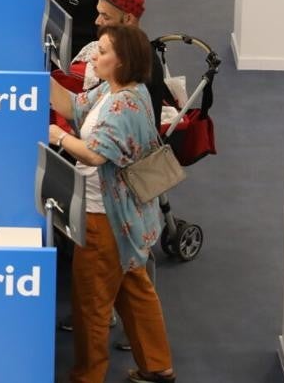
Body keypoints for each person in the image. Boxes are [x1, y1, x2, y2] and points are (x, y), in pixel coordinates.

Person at [48, 25, 176, 383]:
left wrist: (58, 137)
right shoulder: (114, 90)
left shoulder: (122, 105)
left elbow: (93, 155)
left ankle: (88, 375)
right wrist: (36, 73)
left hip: (104, 216)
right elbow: (72, 105)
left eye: (102, 51)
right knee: (133, 287)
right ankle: (157, 365)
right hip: (126, 216)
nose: (93, 56)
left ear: (123, 61)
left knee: (91, 302)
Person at [67, 0, 174, 124]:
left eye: (106, 17)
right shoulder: (125, 52)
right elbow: (79, 106)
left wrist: (61, 138)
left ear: (128, 19)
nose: (97, 21)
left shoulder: (133, 64)